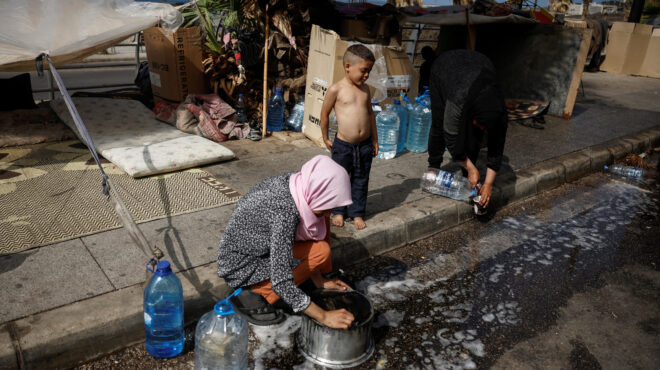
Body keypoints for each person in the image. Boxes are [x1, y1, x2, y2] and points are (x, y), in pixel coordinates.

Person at [217, 155, 356, 329]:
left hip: (261, 248)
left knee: (322, 226)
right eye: (328, 206)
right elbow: (281, 280)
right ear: (318, 191)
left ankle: (314, 279)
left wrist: (319, 281)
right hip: (241, 265)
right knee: (320, 251)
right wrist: (324, 316)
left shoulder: (300, 185)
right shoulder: (285, 213)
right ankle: (257, 294)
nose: (329, 213)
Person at [428, 49, 508, 209]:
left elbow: (496, 150)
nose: (481, 128)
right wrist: (471, 167)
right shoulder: (458, 98)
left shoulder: (499, 111)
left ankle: (468, 174)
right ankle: (434, 166)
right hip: (446, 68)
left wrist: (488, 184)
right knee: (439, 123)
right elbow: (450, 136)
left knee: (475, 135)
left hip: (479, 66)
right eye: (479, 123)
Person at [320, 44, 378, 230]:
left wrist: (375, 140)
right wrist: (325, 138)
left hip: (365, 145)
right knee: (340, 178)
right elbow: (324, 114)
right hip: (343, 145)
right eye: (363, 71)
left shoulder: (366, 90)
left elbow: (370, 114)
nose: (366, 75)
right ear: (347, 66)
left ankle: (357, 213)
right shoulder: (336, 89)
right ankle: (338, 211)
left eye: (368, 71)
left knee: (361, 179)